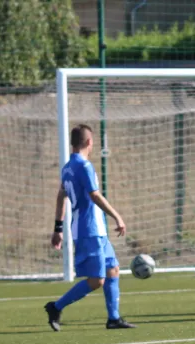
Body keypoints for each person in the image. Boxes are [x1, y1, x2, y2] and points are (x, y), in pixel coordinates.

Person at [45, 124, 135, 331]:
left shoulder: (67, 167)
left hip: (96, 230)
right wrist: (117, 216)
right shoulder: (83, 166)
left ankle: (114, 318)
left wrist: (58, 228)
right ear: (89, 142)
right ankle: (55, 306)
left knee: (113, 269)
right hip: (89, 229)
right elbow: (94, 195)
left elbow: (61, 196)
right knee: (97, 280)